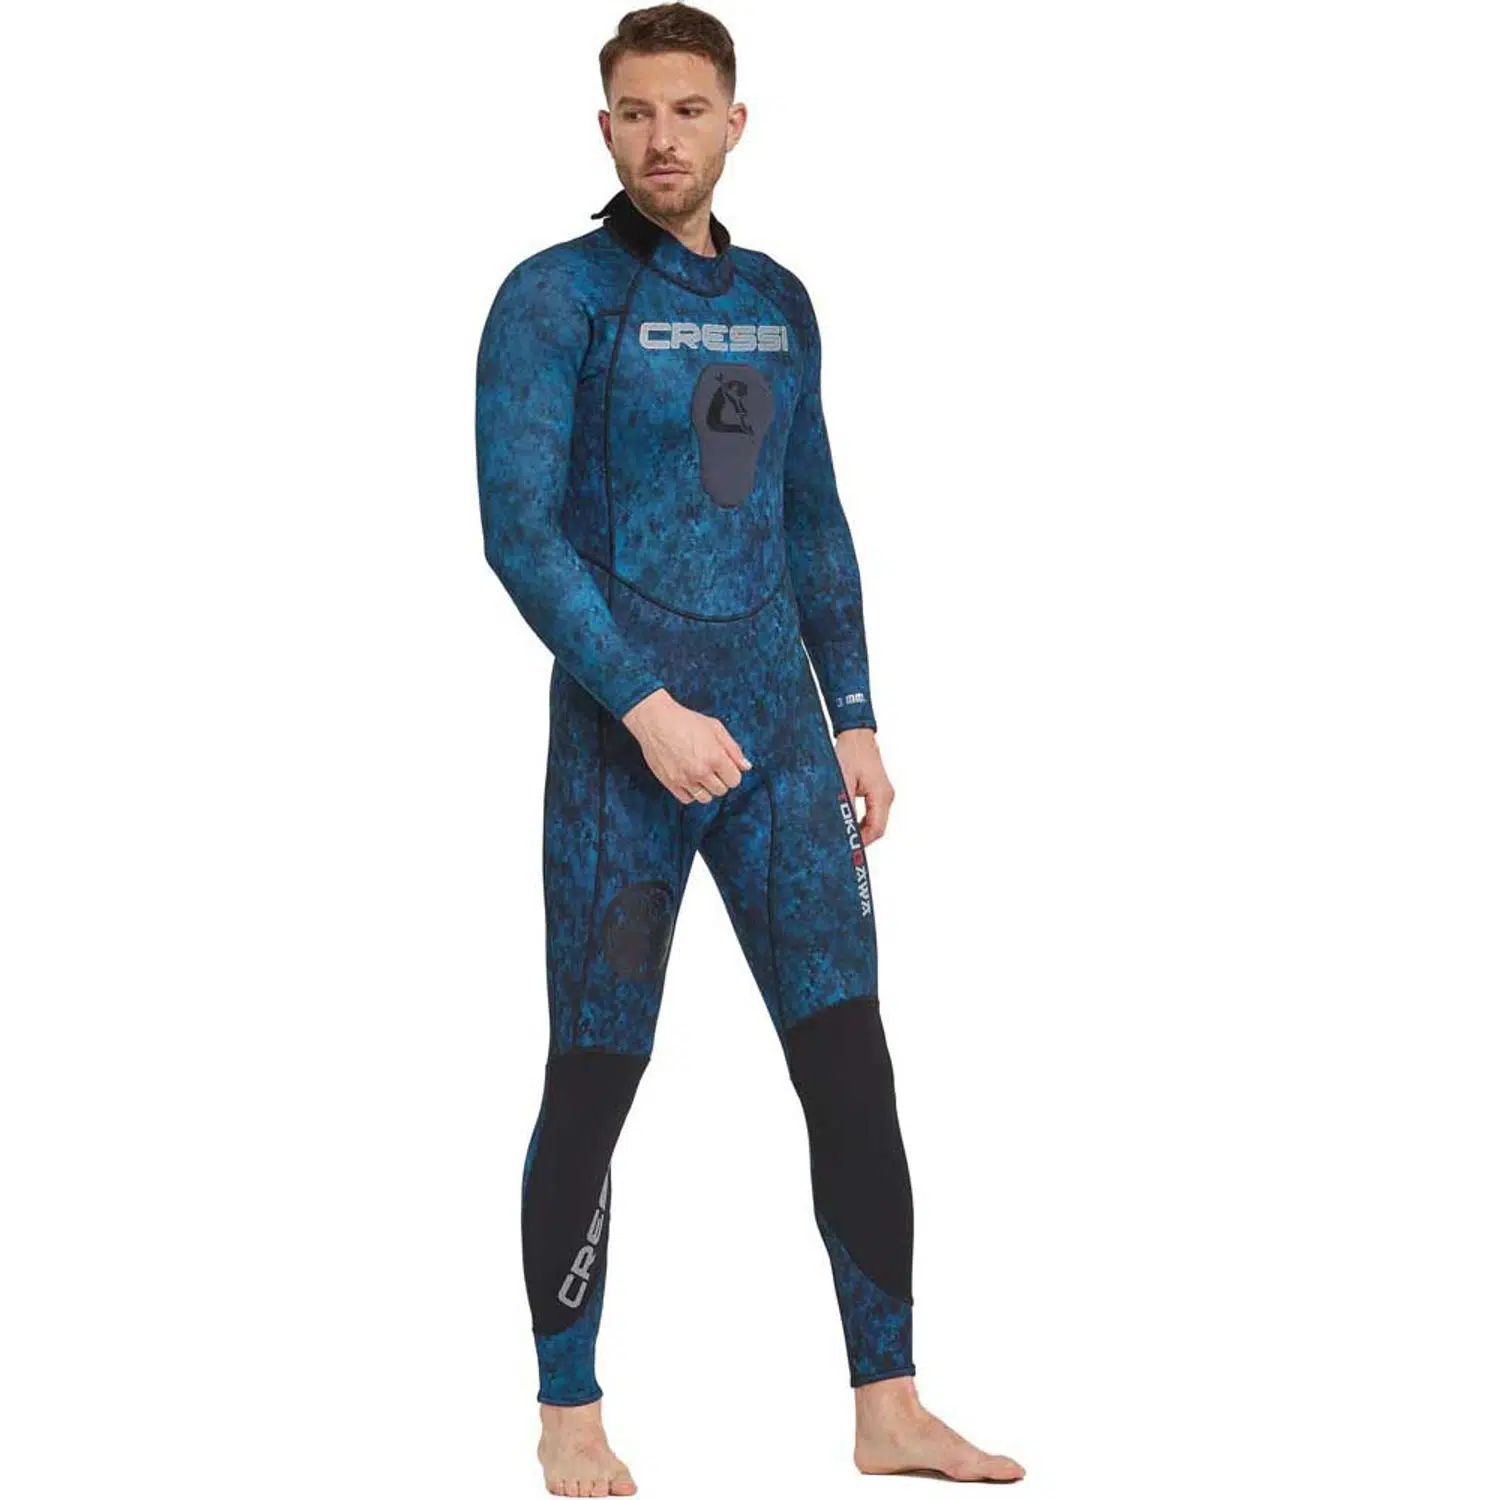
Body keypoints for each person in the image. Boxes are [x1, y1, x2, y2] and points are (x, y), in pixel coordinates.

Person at [474, 6, 1026, 1494]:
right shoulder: (556, 299)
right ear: (604, 127)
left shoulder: (779, 302)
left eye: (688, 109)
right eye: (635, 112)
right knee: (597, 1074)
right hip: (625, 754)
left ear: (735, 122)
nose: (662, 137)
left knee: (849, 1060)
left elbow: (810, 518)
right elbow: (519, 534)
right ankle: (569, 1411)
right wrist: (645, 708)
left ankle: (889, 1407)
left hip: (780, 747)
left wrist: (854, 716)